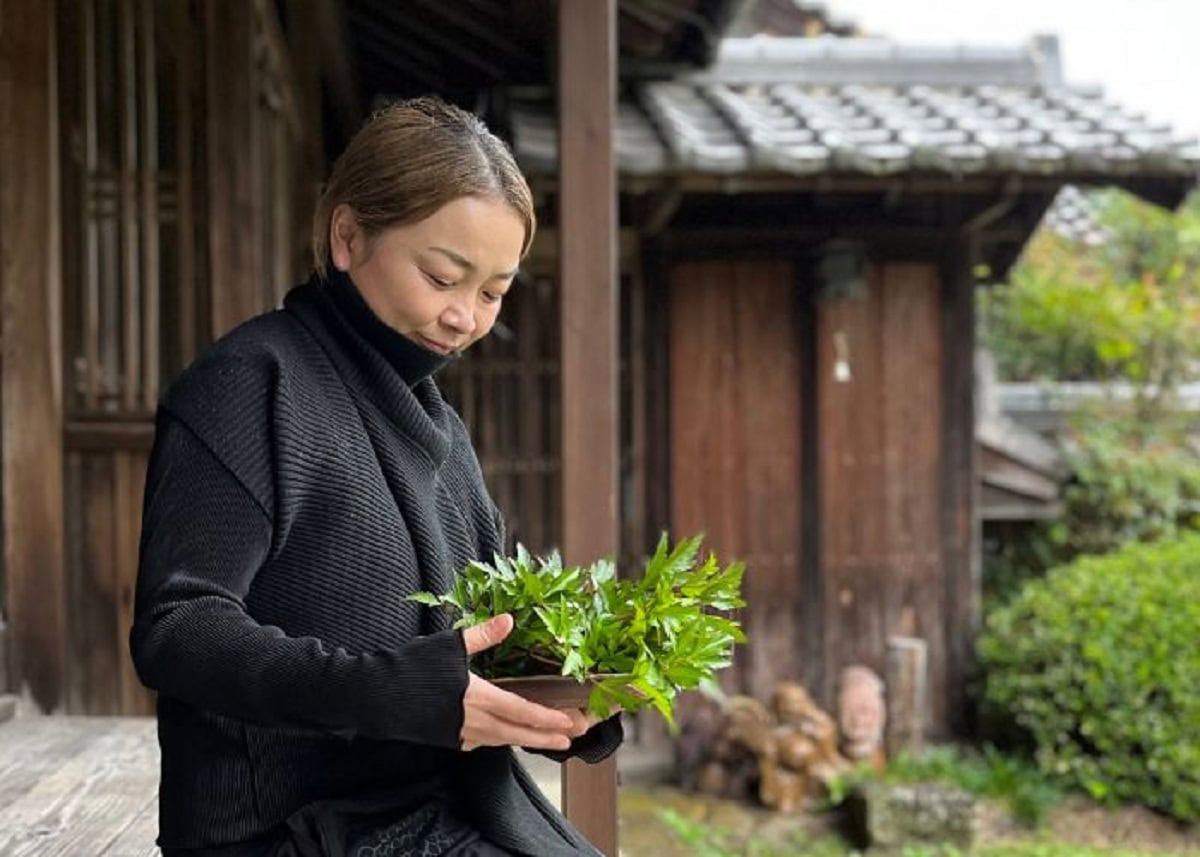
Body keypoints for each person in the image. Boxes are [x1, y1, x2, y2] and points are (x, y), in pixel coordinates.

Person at [130, 97, 622, 857]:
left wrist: (562, 696)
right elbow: (178, 627)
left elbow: (479, 641)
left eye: (492, 292)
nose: (465, 317)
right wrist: (398, 691)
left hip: (437, 811)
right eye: (443, 276)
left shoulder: (442, 431)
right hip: (292, 831)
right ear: (348, 235)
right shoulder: (249, 383)